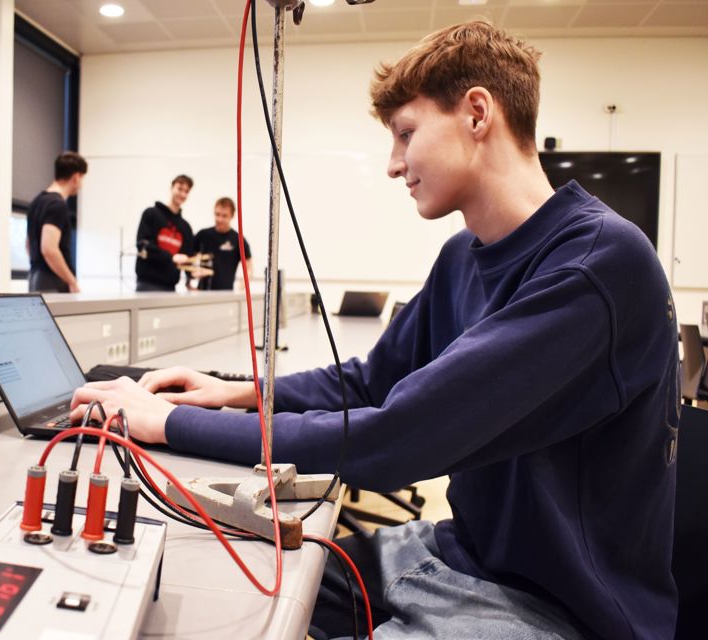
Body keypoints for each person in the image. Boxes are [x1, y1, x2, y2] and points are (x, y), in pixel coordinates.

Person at [71, 20, 678, 639]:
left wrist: (166, 423)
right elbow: (371, 382)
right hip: (457, 555)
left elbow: (396, 439)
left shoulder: (597, 265)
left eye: (406, 134)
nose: (394, 165)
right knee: (238, 591)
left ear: (476, 113)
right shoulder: (463, 256)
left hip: (554, 606)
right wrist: (239, 391)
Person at [27, 151, 86, 293]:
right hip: (52, 280)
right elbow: (49, 249)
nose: (81, 184)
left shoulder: (36, 202)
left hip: (35, 277)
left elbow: (28, 244)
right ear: (76, 177)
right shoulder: (57, 204)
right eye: (82, 178)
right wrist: (72, 281)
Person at [135, 175, 195, 292]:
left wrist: (193, 274)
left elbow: (187, 258)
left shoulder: (186, 227)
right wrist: (171, 257)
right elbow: (142, 246)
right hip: (146, 285)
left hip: (170, 287)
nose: (182, 194)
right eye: (180, 189)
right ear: (172, 187)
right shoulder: (151, 214)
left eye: (186, 191)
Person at [194, 197, 252, 291]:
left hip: (226, 295)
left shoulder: (238, 240)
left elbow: (248, 267)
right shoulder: (202, 235)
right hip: (202, 293)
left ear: (232, 216)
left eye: (224, 216)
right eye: (217, 214)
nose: (220, 219)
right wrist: (188, 282)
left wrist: (241, 289)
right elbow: (188, 256)